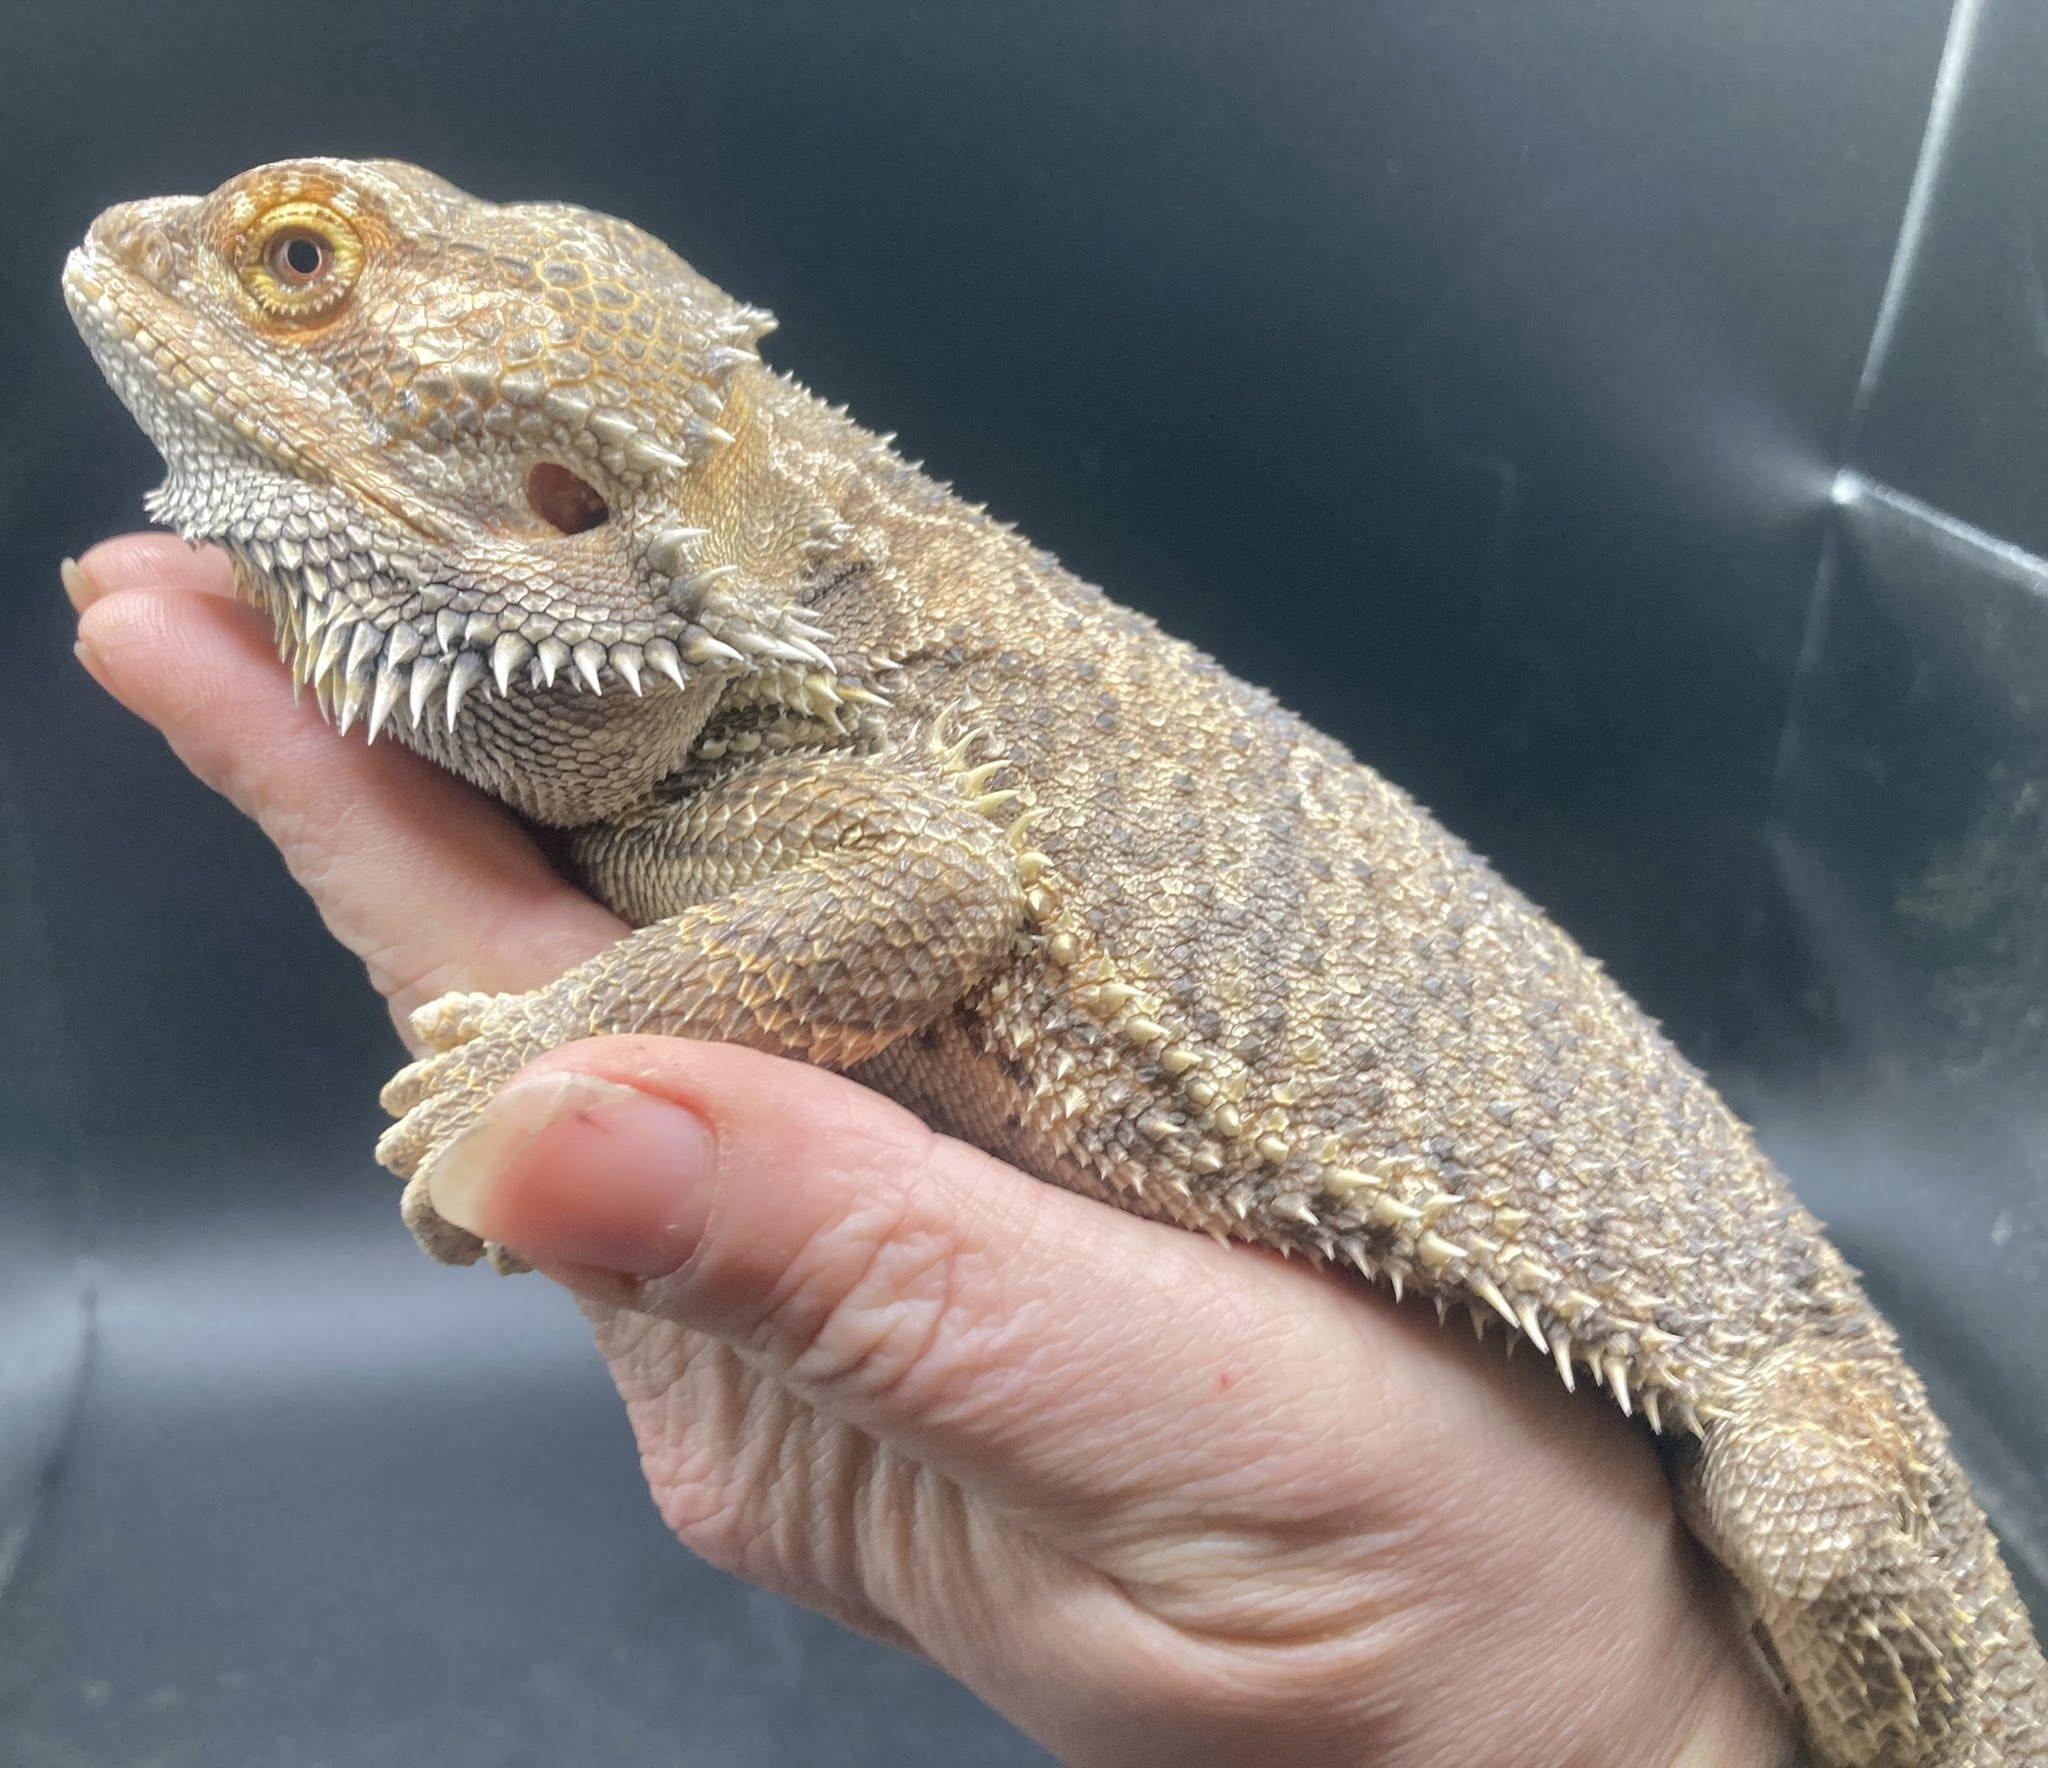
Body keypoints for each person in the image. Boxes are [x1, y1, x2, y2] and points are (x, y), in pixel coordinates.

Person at [64, 533, 1795, 1766]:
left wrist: (1647, 1731)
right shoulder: (728, 727)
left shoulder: (806, 733)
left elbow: (933, 896)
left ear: (564, 494)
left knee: (1819, 1532)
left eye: (306, 264)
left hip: (1762, 1372)